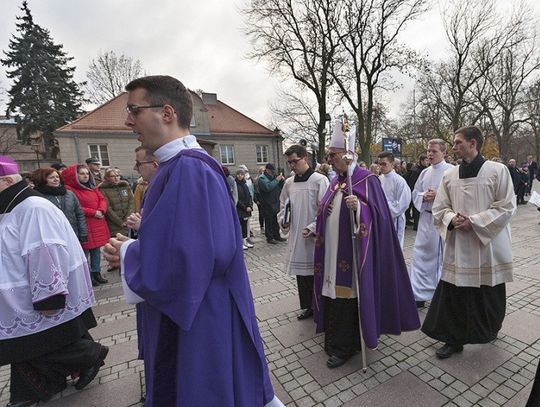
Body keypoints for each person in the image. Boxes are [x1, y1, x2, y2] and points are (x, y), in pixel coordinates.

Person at [103, 75, 283, 407]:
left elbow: (200, 254)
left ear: (166, 113)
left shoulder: (190, 170)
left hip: (202, 311)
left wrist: (131, 255)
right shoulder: (178, 166)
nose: (128, 120)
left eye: (134, 110)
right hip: (198, 304)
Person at [0, 156, 108, 406]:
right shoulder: (11, 205)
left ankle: (89, 355)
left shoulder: (33, 207)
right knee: (26, 345)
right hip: (17, 293)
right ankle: (34, 389)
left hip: (38, 294)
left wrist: (49, 296)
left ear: (6, 180)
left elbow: (45, 252)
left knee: (28, 345)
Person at [313, 120, 420, 369]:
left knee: (347, 298)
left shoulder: (366, 179)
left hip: (353, 255)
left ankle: (346, 346)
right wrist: (315, 223)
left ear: (347, 156)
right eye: (329, 155)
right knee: (333, 297)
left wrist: (359, 209)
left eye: (333, 154)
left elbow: (380, 216)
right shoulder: (335, 181)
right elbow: (325, 211)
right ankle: (335, 341)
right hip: (332, 255)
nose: (329, 159)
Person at [422, 126, 516, 359]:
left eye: (458, 142)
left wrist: (474, 222)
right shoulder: (450, 175)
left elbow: (506, 206)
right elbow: (439, 207)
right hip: (459, 246)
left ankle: (489, 329)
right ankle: (453, 340)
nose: (453, 147)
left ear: (473, 143)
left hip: (487, 245)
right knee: (454, 295)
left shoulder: (497, 171)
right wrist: (453, 219)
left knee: (489, 293)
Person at [278, 145, 329, 320]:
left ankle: (320, 306)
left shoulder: (319, 181)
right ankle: (307, 306)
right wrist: (284, 222)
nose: (292, 165)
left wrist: (314, 227)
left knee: (316, 273)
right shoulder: (289, 183)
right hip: (296, 235)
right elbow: (283, 206)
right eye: (289, 162)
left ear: (305, 158)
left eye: (294, 161)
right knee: (302, 275)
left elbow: (326, 208)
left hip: (314, 237)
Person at [409, 140, 453, 308]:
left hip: (440, 221)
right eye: (428, 151)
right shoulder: (425, 172)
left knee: (437, 257)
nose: (430, 154)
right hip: (425, 219)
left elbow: (455, 196)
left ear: (443, 153)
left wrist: (438, 196)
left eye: (434, 151)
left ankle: (436, 293)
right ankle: (417, 293)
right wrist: (422, 196)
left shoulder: (450, 171)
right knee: (419, 255)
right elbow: (415, 193)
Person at [63, 164, 110, 286]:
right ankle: (87, 275)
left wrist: (101, 210)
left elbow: (102, 199)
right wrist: (94, 212)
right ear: (75, 175)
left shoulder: (92, 187)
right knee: (84, 252)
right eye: (82, 173)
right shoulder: (70, 189)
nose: (85, 176)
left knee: (96, 250)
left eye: (87, 173)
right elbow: (75, 207)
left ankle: (96, 272)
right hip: (85, 224)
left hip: (97, 222)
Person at [32, 167, 88, 243]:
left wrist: (83, 233)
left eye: (57, 177)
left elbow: (79, 214)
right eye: (51, 177)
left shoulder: (69, 194)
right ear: (43, 179)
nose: (56, 179)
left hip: (72, 234)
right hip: (52, 237)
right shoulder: (37, 196)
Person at [378, 151, 411, 248]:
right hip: (381, 218)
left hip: (395, 219)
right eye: (379, 164)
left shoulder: (399, 181)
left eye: (384, 164)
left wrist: (384, 206)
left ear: (392, 164)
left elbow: (404, 203)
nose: (381, 167)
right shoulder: (379, 179)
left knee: (394, 246)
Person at [98, 167, 134, 237]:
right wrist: (120, 222)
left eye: (117, 176)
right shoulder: (103, 189)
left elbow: (131, 201)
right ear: (107, 178)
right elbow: (108, 208)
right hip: (113, 224)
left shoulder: (125, 186)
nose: (116, 178)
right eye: (113, 176)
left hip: (127, 221)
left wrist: (127, 218)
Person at [258, 163, 285, 244]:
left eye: (273, 171)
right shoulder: (262, 178)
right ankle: (269, 237)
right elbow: (267, 187)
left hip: (275, 202)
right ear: (267, 170)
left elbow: (280, 187)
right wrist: (277, 180)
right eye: (271, 171)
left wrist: (281, 180)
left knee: (276, 220)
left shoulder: (273, 176)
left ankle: (276, 235)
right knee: (269, 221)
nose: (272, 172)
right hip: (267, 203)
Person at [408, 154, 429, 230]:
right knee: (416, 210)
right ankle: (416, 225)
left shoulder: (424, 170)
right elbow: (412, 182)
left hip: (422, 193)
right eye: (426, 160)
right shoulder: (416, 170)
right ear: (421, 161)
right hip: (416, 192)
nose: (428, 162)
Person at [235, 168, 254, 250]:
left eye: (242, 174)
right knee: (240, 226)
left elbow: (249, 196)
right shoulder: (235, 184)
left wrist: (250, 205)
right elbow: (236, 198)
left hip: (247, 208)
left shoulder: (245, 184)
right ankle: (240, 242)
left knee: (245, 226)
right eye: (238, 174)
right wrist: (245, 207)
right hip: (240, 209)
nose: (240, 176)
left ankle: (245, 241)